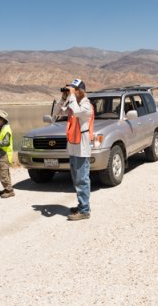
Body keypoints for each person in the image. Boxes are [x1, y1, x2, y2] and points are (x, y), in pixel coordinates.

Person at [55, 79, 93, 221]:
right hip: (73, 147)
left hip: (82, 149)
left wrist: (71, 96)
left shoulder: (86, 106)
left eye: (74, 90)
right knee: (76, 179)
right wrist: (63, 98)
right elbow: (57, 113)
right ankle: (82, 205)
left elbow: (76, 112)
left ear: (81, 91)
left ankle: (84, 210)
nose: (71, 92)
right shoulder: (73, 103)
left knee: (82, 179)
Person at [0, 110, 15, 198]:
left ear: (1, 119)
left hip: (4, 154)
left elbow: (6, 142)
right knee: (5, 171)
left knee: (3, 173)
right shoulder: (2, 127)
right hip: (1, 153)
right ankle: (7, 188)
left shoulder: (6, 128)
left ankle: (9, 190)